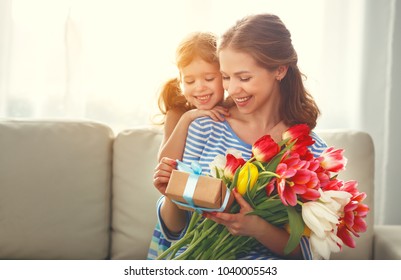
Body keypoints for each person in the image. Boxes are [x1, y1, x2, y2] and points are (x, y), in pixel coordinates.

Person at [149, 14, 327, 260]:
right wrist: (171, 194)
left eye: (244, 78)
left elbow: (309, 253)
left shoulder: (310, 150)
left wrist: (258, 229)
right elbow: (174, 231)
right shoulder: (205, 126)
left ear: (280, 70)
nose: (232, 89)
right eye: (225, 77)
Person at [155, 31, 228, 163]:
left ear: (224, 75)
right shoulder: (177, 113)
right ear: (181, 81)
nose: (199, 87)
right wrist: (188, 118)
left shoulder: (231, 109)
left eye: (209, 78)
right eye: (190, 81)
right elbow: (164, 162)